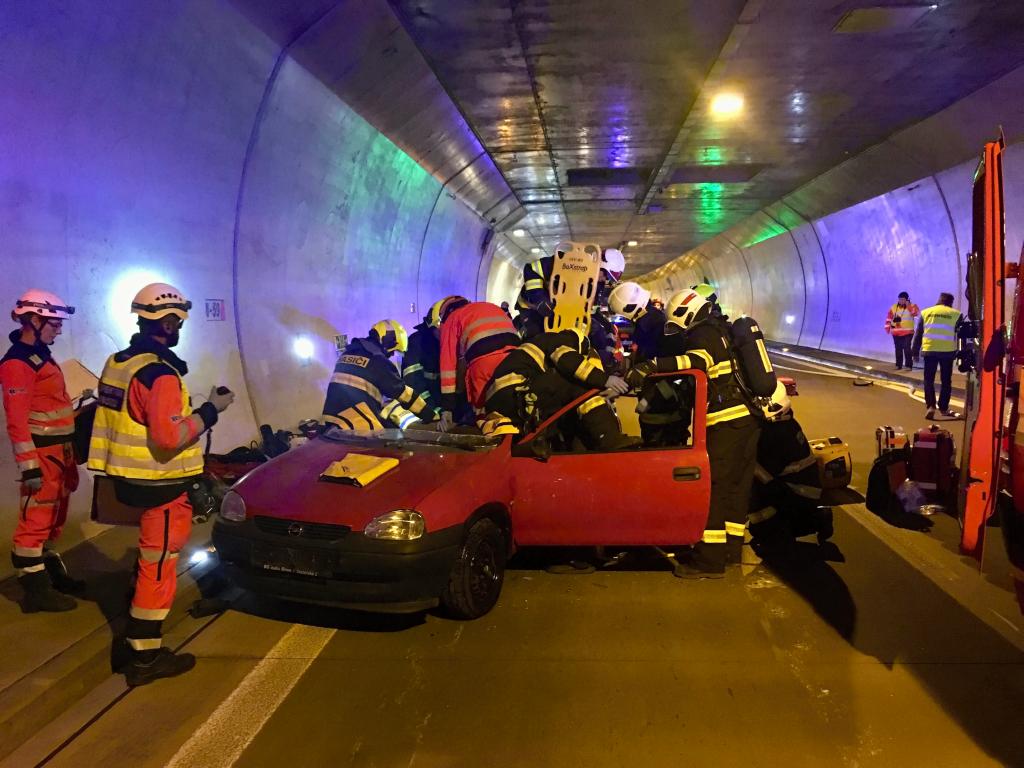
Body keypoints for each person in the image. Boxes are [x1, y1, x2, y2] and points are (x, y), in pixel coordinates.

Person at [88, 283, 235, 685]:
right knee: (158, 567)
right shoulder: (162, 375)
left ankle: (135, 636)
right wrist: (211, 410)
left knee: (148, 560)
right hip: (161, 485)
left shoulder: (118, 362)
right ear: (168, 324)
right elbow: (170, 438)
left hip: (125, 479)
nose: (179, 328)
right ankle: (146, 656)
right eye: (178, 322)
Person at [628, 288, 760, 577]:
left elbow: (696, 362)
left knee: (714, 488)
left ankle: (709, 561)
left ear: (685, 314)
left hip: (725, 421)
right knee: (736, 488)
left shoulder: (702, 334)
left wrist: (654, 365)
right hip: (748, 419)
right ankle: (730, 552)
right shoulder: (723, 328)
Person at [1, 290, 82, 612]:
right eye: (55, 324)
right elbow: (17, 421)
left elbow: (48, 407)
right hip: (43, 456)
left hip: (60, 453)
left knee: (54, 517)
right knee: (35, 520)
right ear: (34, 320)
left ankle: (48, 574)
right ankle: (35, 592)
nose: (59, 331)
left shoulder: (40, 356)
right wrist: (29, 466)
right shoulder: (17, 363)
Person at [482, 328, 632, 447]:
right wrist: (604, 380)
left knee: (566, 403)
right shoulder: (565, 340)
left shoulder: (539, 344)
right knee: (579, 386)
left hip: (505, 399)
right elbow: (568, 360)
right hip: (518, 391)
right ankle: (610, 439)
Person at [747, 382, 833, 552]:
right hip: (801, 489)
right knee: (760, 525)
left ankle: (814, 520)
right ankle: (805, 519)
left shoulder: (776, 433)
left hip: (797, 492)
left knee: (762, 525)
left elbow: (761, 470)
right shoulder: (786, 423)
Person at [610, 282, 689, 447]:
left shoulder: (656, 325)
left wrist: (649, 397)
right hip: (661, 401)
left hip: (666, 407)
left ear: (630, 308)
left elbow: (671, 366)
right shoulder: (649, 322)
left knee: (661, 446)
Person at [323, 319, 433, 430]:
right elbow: (404, 395)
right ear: (389, 340)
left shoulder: (346, 354)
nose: (391, 355)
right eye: (393, 351)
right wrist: (430, 415)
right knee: (395, 435)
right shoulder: (378, 361)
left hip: (331, 422)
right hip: (356, 425)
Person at [912, 292, 962, 419]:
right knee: (946, 381)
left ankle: (931, 406)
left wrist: (914, 352)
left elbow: (918, 334)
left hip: (930, 350)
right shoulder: (956, 314)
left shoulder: (926, 312)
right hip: (947, 352)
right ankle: (943, 408)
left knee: (929, 380)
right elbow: (961, 336)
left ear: (939, 300)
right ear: (950, 302)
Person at [885, 291, 919, 370]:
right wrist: (887, 327)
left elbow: (915, 313)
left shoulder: (913, 306)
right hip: (896, 332)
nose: (900, 301)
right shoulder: (894, 307)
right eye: (899, 299)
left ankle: (908, 365)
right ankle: (898, 365)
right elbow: (889, 318)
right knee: (898, 349)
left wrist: (908, 306)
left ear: (907, 299)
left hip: (908, 332)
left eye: (903, 299)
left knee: (907, 348)